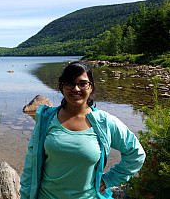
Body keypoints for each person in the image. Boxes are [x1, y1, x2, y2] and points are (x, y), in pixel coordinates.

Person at [19, 61, 146, 199]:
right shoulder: (46, 119)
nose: (76, 89)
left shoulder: (104, 122)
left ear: (91, 87)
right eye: (70, 83)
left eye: (82, 83)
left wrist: (109, 179)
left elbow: (136, 153)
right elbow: (31, 165)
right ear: (62, 87)